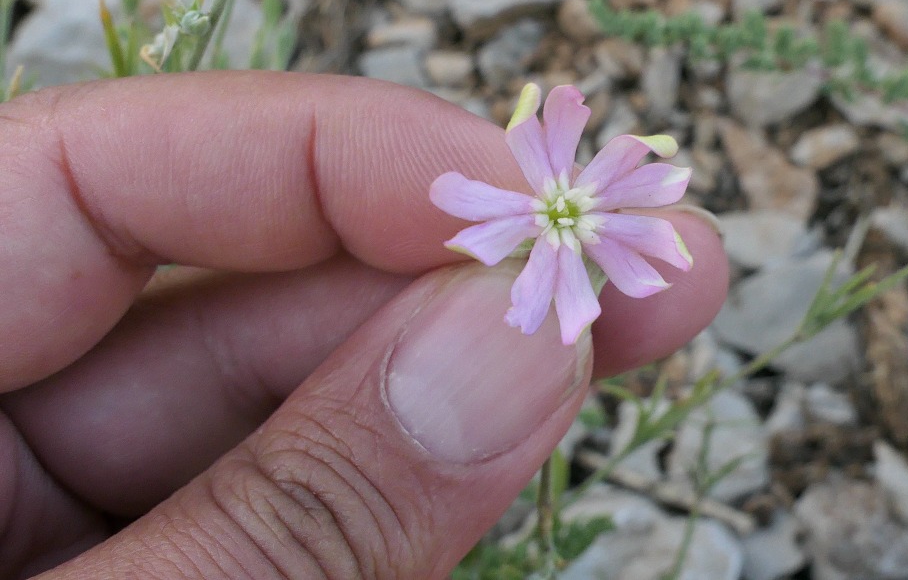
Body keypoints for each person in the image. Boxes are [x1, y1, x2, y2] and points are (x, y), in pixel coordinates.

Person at [0, 72, 728, 579]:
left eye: (570, 210)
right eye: (563, 207)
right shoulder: (526, 213)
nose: (564, 210)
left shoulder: (569, 217)